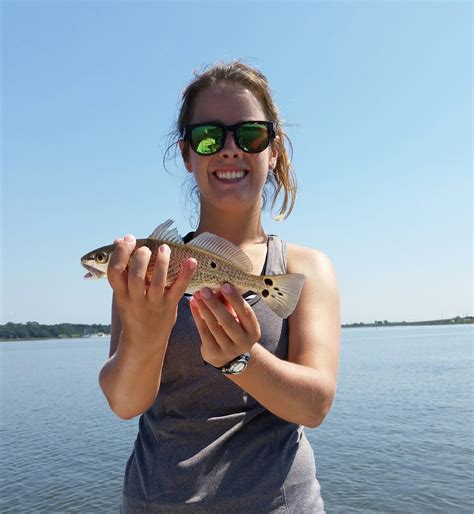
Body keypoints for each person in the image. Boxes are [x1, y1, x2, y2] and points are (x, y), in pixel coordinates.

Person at [99, 61, 340, 513]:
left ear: (274, 151)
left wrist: (240, 360)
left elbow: (314, 407)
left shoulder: (307, 268)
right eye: (209, 137)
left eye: (250, 135)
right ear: (187, 154)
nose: (229, 150)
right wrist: (147, 334)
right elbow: (124, 402)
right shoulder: (147, 268)